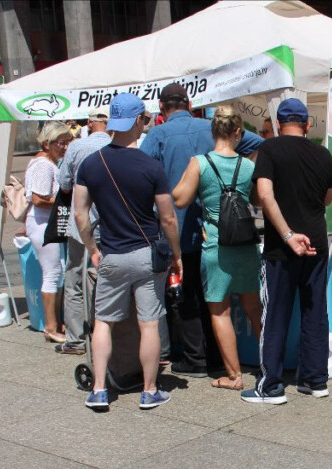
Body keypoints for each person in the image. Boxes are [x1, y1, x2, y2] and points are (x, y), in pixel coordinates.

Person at [140, 83, 263, 377]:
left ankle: (198, 360)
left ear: (161, 107)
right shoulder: (214, 130)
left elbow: (152, 180)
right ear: (190, 102)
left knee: (192, 297)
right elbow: (258, 143)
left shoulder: (158, 136)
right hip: (233, 232)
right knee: (238, 302)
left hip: (182, 229)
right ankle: (250, 361)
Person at [75, 93, 181, 410]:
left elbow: (81, 214)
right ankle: (149, 391)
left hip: (112, 255)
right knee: (149, 323)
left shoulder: (91, 164)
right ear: (138, 121)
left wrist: (92, 248)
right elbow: (168, 217)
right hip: (147, 255)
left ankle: (98, 389)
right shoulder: (151, 167)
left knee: (103, 321)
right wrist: (176, 254)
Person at [242, 98, 332, 404]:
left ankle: (270, 386)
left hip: (283, 246)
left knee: (276, 314)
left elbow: (265, 196)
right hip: (317, 241)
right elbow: (327, 199)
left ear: (279, 124)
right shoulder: (323, 154)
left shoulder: (269, 149)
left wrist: (288, 233)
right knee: (315, 311)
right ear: (308, 124)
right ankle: (315, 379)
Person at [172, 106, 262, 391]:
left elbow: (180, 199)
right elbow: (258, 200)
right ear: (238, 132)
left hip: (216, 245)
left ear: (214, 132)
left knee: (219, 311)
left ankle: (234, 376)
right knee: (253, 306)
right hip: (245, 244)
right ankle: (271, 364)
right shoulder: (248, 166)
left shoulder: (200, 162)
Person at [55, 106, 110, 355]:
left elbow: (64, 184)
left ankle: (77, 339)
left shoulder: (77, 147)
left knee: (75, 279)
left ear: (88, 122)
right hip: (112, 222)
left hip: (82, 223)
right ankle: (109, 332)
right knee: (110, 280)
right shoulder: (120, 146)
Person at [26, 121, 73, 344]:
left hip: (48, 224)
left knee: (59, 271)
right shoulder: (44, 165)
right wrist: (66, 201)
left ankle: (57, 321)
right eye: (61, 143)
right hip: (44, 224)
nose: (65, 147)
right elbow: (38, 199)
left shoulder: (46, 162)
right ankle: (51, 326)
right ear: (47, 143)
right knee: (52, 273)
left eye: (67, 142)